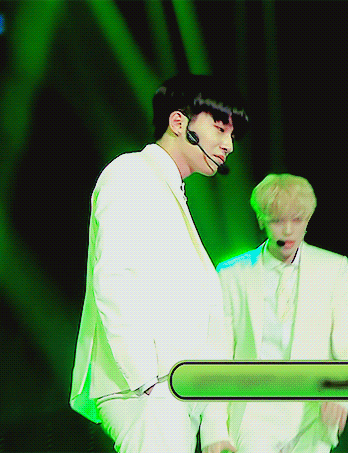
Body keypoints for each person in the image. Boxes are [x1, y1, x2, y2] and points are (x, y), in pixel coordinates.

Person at [70, 73, 249, 453]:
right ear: (179, 122)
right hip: (147, 391)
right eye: (220, 129)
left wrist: (213, 425)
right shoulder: (132, 173)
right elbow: (114, 277)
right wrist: (146, 381)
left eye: (232, 135)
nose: (228, 145)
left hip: (174, 390)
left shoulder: (169, 190)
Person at [216, 174, 348, 453]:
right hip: (253, 413)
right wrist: (214, 430)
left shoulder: (333, 268)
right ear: (261, 219)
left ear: (308, 219)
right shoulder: (233, 273)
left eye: (297, 220)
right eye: (277, 220)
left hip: (311, 413)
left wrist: (342, 395)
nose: (287, 230)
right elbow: (217, 352)